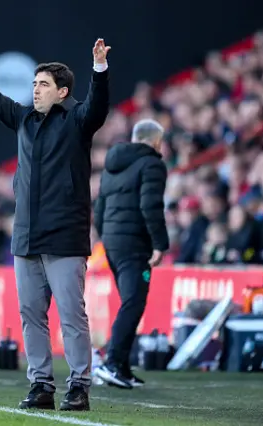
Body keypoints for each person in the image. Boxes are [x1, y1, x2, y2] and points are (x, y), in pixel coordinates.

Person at [0, 19, 110, 411]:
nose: (35, 89)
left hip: (65, 237)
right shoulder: (23, 120)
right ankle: (41, 386)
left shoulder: (78, 121)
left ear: (62, 91)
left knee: (71, 316)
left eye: (43, 85)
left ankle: (79, 385)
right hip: (26, 237)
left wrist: (99, 70)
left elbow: (98, 108)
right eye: (33, 84)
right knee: (32, 316)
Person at [92, 119, 169, 388]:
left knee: (130, 301)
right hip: (135, 243)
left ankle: (121, 367)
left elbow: (99, 208)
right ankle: (112, 364)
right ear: (155, 140)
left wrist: (106, 237)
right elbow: (151, 206)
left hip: (112, 242)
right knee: (134, 303)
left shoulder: (113, 165)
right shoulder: (152, 165)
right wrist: (160, 244)